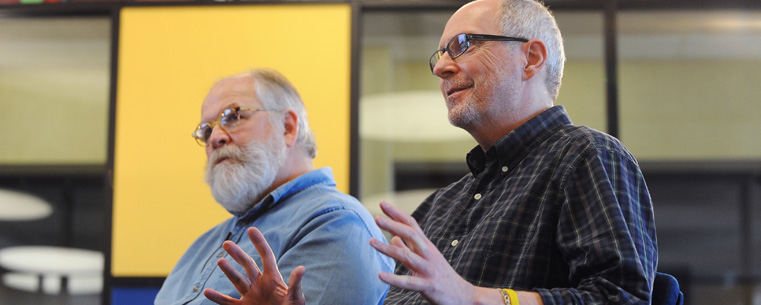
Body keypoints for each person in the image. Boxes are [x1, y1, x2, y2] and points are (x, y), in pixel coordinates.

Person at [207, 0, 658, 304]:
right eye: (439, 53)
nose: (442, 66)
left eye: (463, 44)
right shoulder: (438, 208)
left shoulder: (587, 157)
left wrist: (473, 297)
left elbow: (622, 296)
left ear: (532, 58)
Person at [154, 69, 394, 305]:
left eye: (233, 116)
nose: (215, 137)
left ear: (287, 127)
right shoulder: (201, 246)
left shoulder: (337, 222)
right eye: (206, 131)